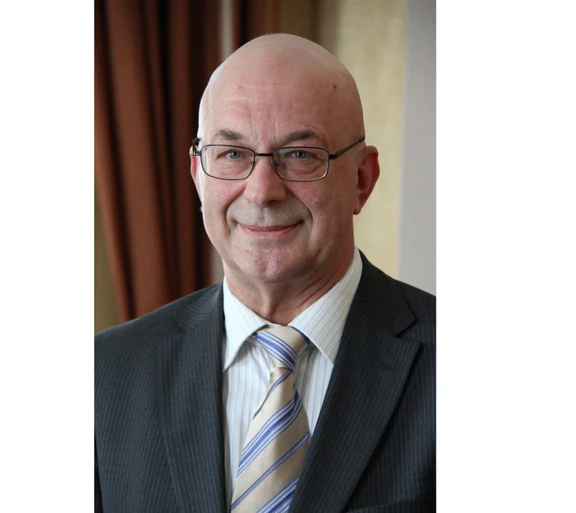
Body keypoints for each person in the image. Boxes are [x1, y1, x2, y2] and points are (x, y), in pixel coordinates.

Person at [95, 33, 435, 513]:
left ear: (362, 179)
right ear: (198, 175)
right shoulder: (104, 375)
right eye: (232, 154)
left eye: (299, 155)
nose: (261, 191)